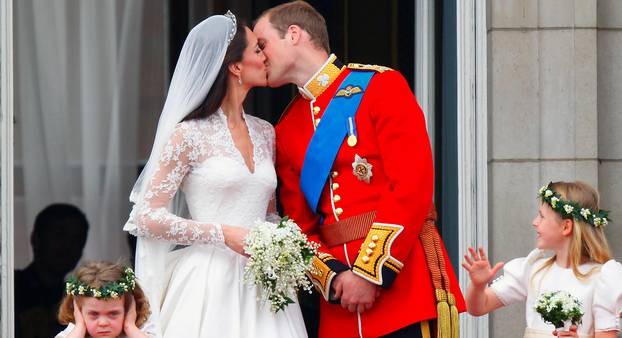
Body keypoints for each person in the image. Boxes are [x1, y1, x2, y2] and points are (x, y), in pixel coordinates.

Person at [253, 2, 466, 337]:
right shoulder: (287, 128)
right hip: (342, 306)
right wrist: (336, 277)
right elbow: (298, 225)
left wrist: (369, 273)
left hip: (403, 288)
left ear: (293, 34)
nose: (259, 56)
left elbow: (412, 187)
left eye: (263, 44)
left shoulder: (381, 87)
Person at [124, 12, 307, 337]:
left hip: (264, 284)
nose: (266, 57)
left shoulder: (265, 132)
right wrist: (222, 233)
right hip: (208, 283)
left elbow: (269, 212)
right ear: (235, 66)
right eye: (257, 50)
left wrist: (283, 242)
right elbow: (145, 217)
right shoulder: (187, 136)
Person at [462, 181, 622, 338]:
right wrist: (478, 285)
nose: (534, 222)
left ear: (566, 227)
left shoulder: (602, 278)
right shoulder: (533, 270)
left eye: (541, 216)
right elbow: (477, 307)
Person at [14, 203, 89, 338]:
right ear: (35, 238)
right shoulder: (11, 288)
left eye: (76, 239)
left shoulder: (78, 296)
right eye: (60, 235)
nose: (68, 246)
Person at [55, 262, 152, 338]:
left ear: (128, 310)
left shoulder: (138, 333)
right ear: (78, 312)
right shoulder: (73, 334)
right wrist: (80, 327)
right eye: (94, 314)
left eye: (113, 313)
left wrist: (130, 327)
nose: (103, 323)